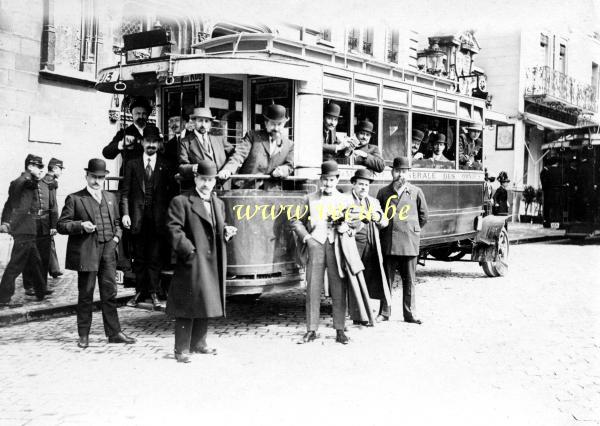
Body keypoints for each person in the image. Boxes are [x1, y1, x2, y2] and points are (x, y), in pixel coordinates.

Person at [57, 158, 135, 348]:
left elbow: (117, 223)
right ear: (87, 176)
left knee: (110, 293)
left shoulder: (110, 197)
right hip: (88, 252)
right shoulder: (75, 199)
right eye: (93, 177)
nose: (97, 181)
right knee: (86, 294)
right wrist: (80, 225)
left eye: (101, 177)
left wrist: (116, 239)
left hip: (108, 252)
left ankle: (114, 333)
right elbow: (61, 225)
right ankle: (83, 335)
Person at [166, 160, 237, 363]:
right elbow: (173, 229)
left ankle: (199, 343)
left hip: (212, 259)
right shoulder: (181, 201)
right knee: (187, 304)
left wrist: (226, 231)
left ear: (215, 181)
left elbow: (215, 227)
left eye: (210, 180)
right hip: (192, 259)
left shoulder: (218, 203)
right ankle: (181, 349)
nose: (206, 184)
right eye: (203, 179)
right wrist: (189, 251)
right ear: (196, 179)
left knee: (205, 300)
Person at [291, 161, 352, 344]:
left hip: (335, 246)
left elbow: (356, 221)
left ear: (337, 180)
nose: (327, 184)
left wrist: (345, 226)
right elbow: (295, 220)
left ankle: (340, 330)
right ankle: (311, 329)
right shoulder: (310, 198)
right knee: (313, 288)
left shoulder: (344, 199)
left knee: (339, 288)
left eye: (331, 180)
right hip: (316, 244)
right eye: (324, 180)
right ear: (320, 180)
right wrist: (306, 238)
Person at [120, 126, 175, 309]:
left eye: (154, 141)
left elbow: (171, 194)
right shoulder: (132, 164)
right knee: (140, 257)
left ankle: (153, 292)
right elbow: (125, 193)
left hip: (158, 220)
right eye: (148, 141)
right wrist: (126, 214)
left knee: (155, 257)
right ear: (142, 142)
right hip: (137, 218)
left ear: (159, 144)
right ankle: (139, 292)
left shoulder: (165, 164)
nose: (151, 145)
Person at [376, 156, 428, 324]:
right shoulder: (383, 192)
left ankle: (410, 313)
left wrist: (411, 230)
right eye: (398, 171)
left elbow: (424, 216)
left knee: (410, 280)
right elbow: (379, 215)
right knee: (387, 279)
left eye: (404, 172)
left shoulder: (416, 192)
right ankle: (384, 312)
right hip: (389, 242)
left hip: (409, 242)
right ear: (392, 172)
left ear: (408, 174)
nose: (401, 175)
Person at [0, 155, 55, 306]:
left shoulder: (18, 182)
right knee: (16, 265)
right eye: (39, 167)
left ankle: (41, 290)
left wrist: (5, 222)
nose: (42, 170)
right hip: (24, 229)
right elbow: (22, 209)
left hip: (26, 229)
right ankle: (3, 298)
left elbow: (8, 204)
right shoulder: (27, 183)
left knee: (36, 261)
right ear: (30, 166)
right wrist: (12, 225)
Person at [346, 169, 388, 326]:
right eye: (360, 184)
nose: (363, 187)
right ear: (354, 184)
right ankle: (357, 315)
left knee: (369, 279)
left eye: (366, 185)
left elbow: (385, 222)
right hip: (354, 245)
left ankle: (366, 313)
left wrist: (379, 218)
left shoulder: (373, 201)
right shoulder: (346, 200)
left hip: (372, 245)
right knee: (354, 279)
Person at [22, 157, 63, 294]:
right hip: (30, 224)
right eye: (36, 167)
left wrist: (53, 225)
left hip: (45, 224)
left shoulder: (49, 184)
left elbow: (53, 206)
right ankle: (29, 286)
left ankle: (42, 286)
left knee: (44, 256)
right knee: (29, 256)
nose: (39, 170)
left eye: (40, 167)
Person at [178, 107, 247, 182]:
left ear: (210, 124)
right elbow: (182, 167)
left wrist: (227, 169)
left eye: (206, 121)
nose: (203, 124)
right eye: (200, 121)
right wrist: (192, 168)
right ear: (194, 122)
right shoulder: (185, 142)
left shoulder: (219, 139)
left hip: (221, 183)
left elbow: (235, 154)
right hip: (201, 185)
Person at [235, 103, 294, 187]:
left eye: (279, 124)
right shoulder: (252, 136)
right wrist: (227, 170)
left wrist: (282, 170)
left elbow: (289, 166)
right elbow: (239, 155)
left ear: (284, 124)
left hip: (272, 193)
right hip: (248, 190)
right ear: (266, 123)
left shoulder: (290, 145)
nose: (276, 128)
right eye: (273, 124)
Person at [102, 97, 151, 169]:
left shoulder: (154, 131)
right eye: (138, 113)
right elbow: (106, 153)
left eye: (144, 114)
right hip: (129, 177)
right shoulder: (124, 133)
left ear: (147, 115)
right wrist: (121, 144)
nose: (141, 116)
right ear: (132, 115)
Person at [45, 158, 65, 279]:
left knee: (49, 243)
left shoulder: (47, 180)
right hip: (46, 219)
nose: (61, 172)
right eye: (60, 169)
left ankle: (54, 269)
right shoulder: (50, 182)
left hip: (44, 218)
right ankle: (54, 269)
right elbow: (53, 205)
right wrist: (53, 225)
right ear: (55, 168)